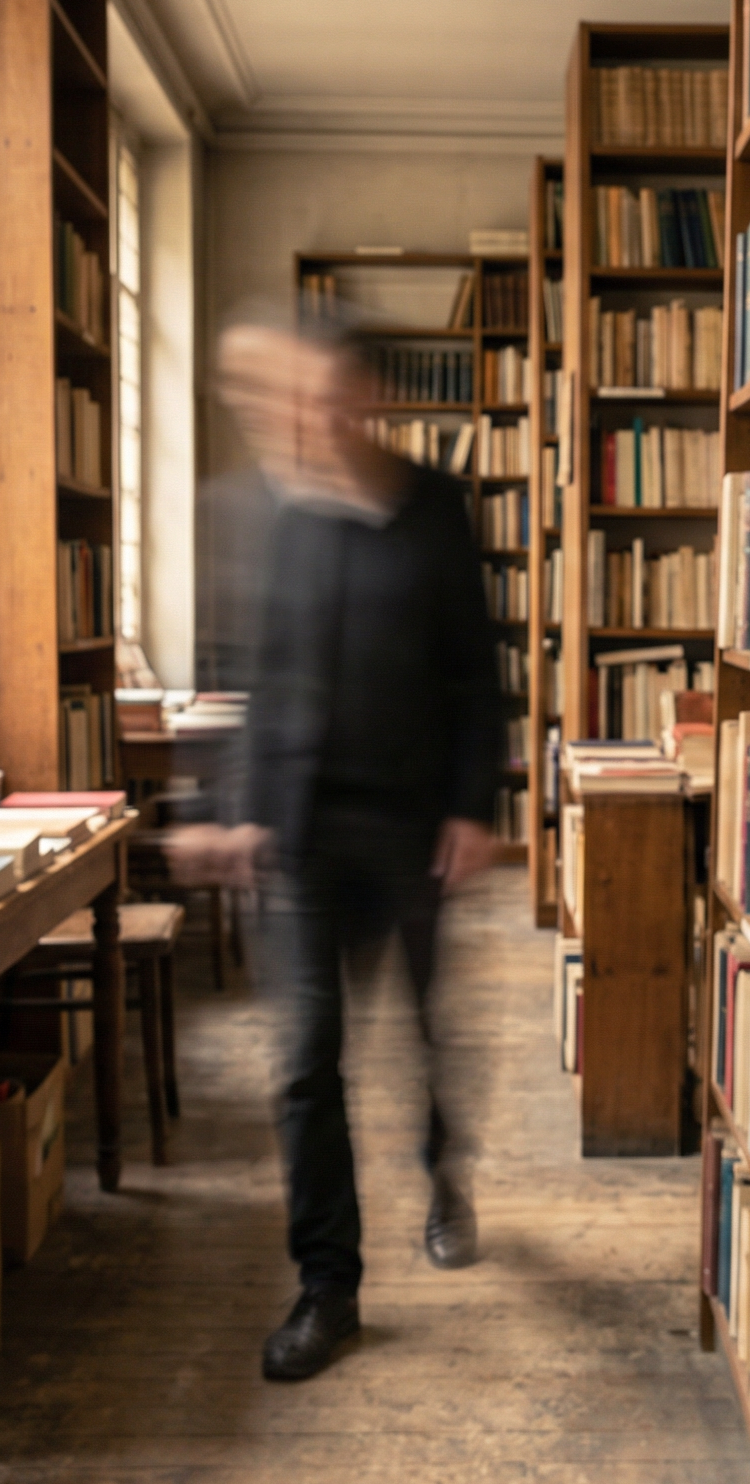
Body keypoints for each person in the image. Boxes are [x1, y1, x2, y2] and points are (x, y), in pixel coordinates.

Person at [171, 314, 506, 1383]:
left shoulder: (435, 509)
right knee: (306, 1061)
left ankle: (443, 1176)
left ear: (365, 395)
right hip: (305, 837)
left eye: (328, 396)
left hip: (413, 827)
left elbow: (475, 676)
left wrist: (470, 806)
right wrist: (233, 807)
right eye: (295, 399)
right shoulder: (278, 517)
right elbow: (261, 682)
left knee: (424, 1031)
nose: (309, 416)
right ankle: (330, 1287)